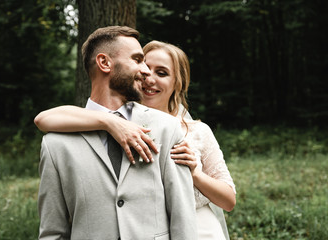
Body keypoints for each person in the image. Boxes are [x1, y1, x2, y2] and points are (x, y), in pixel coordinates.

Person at [35, 40, 236, 239]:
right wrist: (110, 121)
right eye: (145, 66)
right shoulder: (106, 120)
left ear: (178, 83)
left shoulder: (187, 130)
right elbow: (43, 119)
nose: (149, 77)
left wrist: (195, 174)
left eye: (162, 73)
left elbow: (228, 200)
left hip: (199, 230)